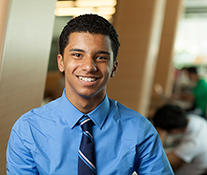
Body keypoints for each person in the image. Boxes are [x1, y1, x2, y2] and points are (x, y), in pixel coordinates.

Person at [6, 14, 173, 175]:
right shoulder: (28, 129)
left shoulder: (139, 129)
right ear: (61, 62)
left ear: (113, 68)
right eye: (78, 55)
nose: (89, 66)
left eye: (100, 57)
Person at [153, 104, 207, 175]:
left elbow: (159, 161)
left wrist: (159, 134)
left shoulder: (193, 142)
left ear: (174, 131)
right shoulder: (192, 119)